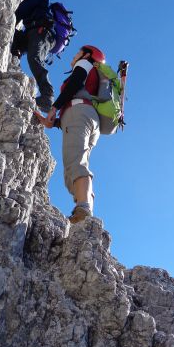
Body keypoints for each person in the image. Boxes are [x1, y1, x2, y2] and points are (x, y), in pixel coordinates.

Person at [35, 45, 105, 224]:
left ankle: (83, 209)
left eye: (77, 53)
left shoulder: (85, 64)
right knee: (74, 168)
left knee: (75, 163)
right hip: (87, 118)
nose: (74, 57)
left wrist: (54, 108)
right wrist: (55, 122)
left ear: (87, 54)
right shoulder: (94, 77)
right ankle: (83, 212)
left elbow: (74, 83)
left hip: (79, 112)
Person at [11, 0, 55, 112]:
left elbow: (23, 10)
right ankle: (14, 62)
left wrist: (11, 17)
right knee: (13, 38)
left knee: (33, 57)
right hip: (30, 32)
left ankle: (48, 96)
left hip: (42, 32)